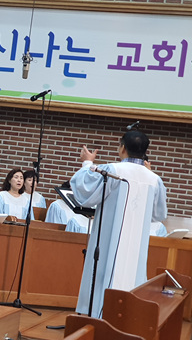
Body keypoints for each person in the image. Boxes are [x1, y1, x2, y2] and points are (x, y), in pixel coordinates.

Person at [70, 130, 167, 318]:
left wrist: (87, 163)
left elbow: (85, 191)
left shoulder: (113, 170)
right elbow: (159, 214)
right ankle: (126, 318)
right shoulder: (154, 179)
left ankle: (98, 316)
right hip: (136, 245)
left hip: (109, 241)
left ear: (122, 148)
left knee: (105, 273)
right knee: (132, 276)